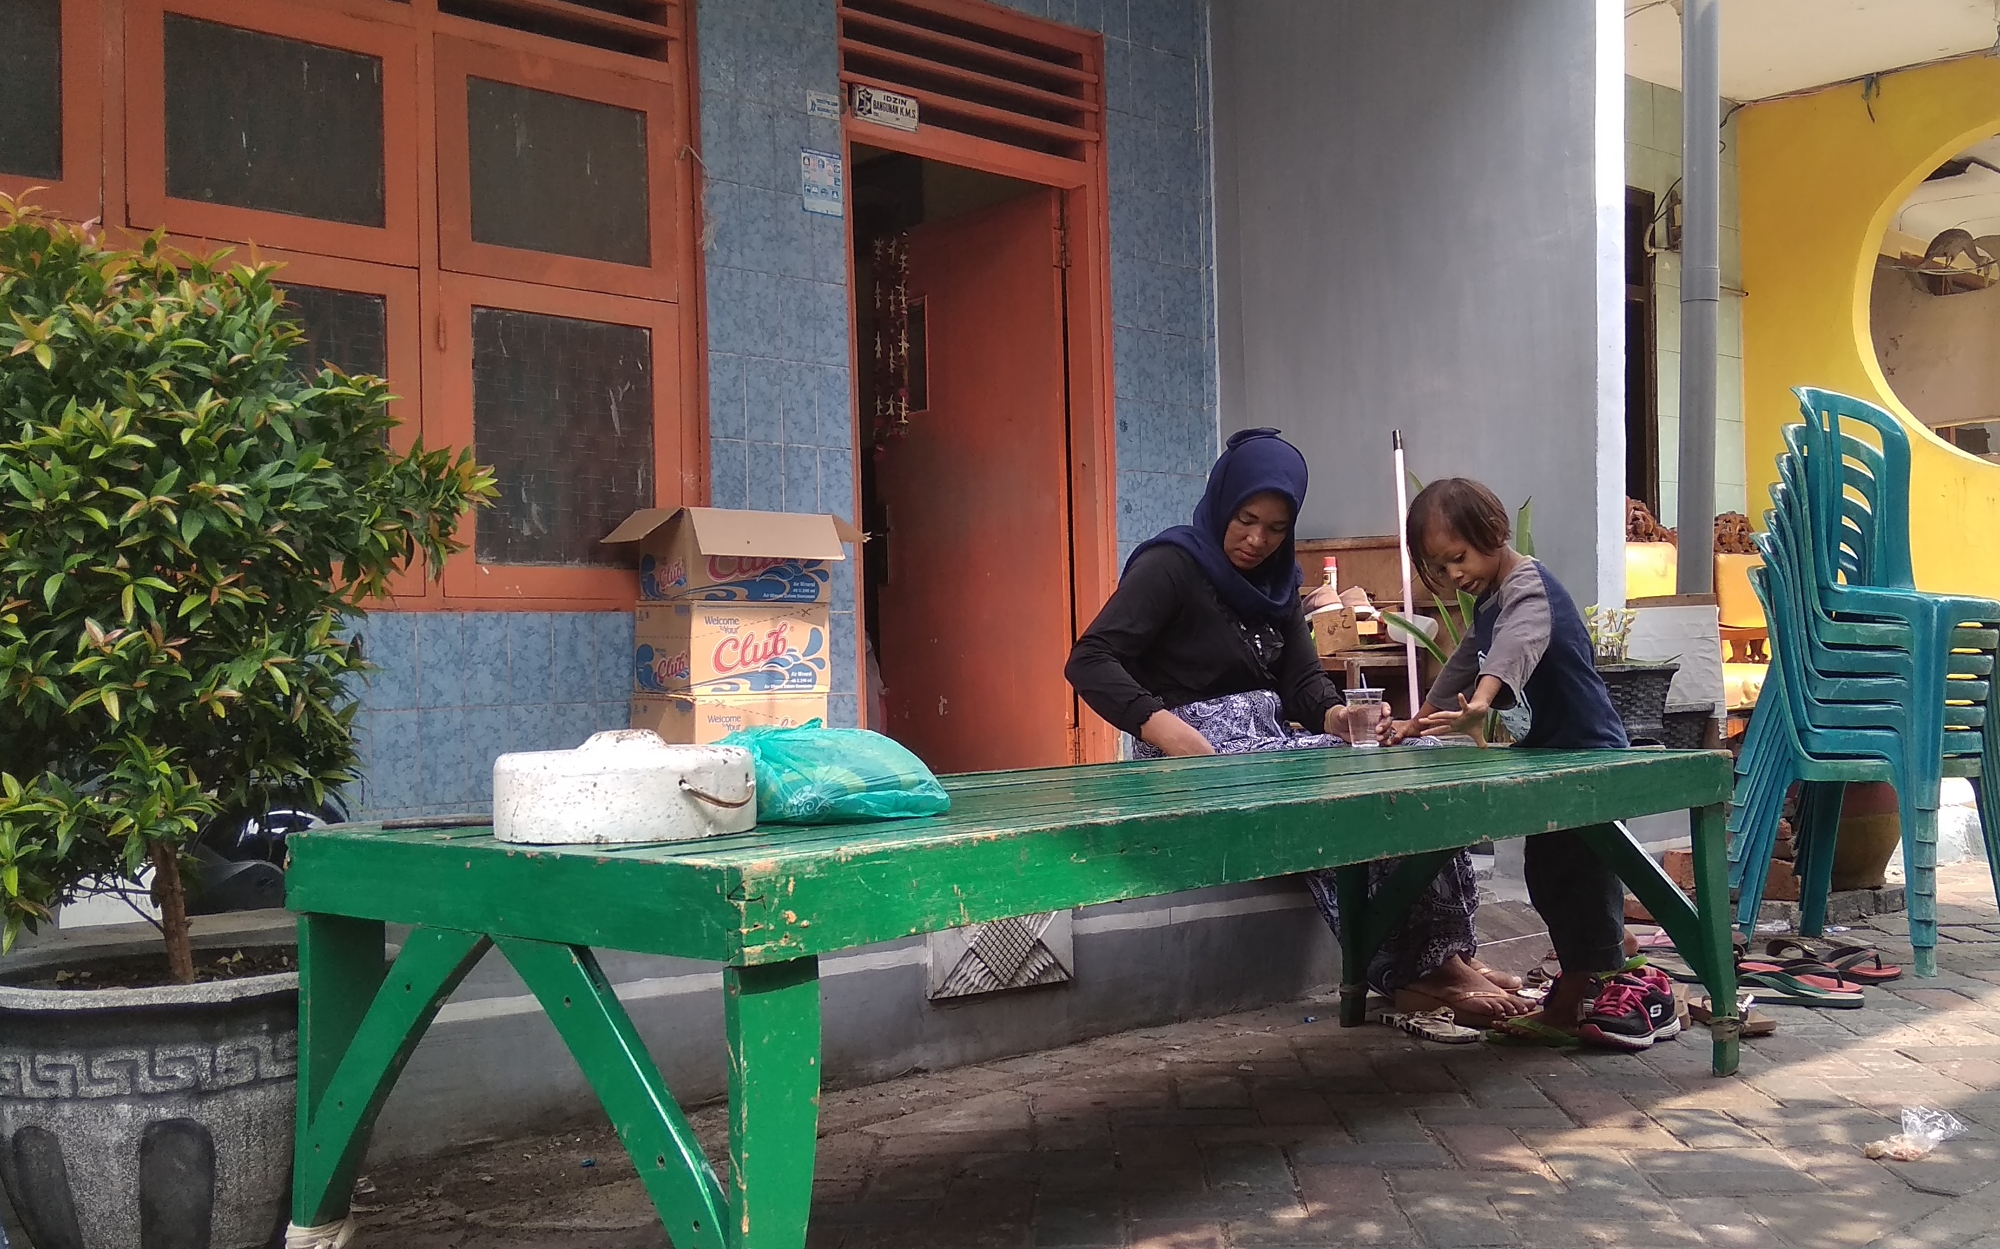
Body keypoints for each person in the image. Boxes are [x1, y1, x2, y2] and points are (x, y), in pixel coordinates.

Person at [1065, 429, 1531, 1026]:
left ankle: (1447, 957)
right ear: (1221, 501)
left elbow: (1303, 685)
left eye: (1276, 528)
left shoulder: (1280, 582)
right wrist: (1165, 730)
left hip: (1264, 745)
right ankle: (1409, 970)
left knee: (1407, 771)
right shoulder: (1171, 566)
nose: (1257, 540)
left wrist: (1340, 716)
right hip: (1195, 752)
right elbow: (1090, 659)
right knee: (1340, 800)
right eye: (1245, 519)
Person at [1382, 477, 1674, 1050]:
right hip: (1549, 758)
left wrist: (1484, 703)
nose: (1452, 576)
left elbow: (1519, 642)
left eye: (1458, 558)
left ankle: (1585, 993)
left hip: (1587, 754)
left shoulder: (1527, 587)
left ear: (1493, 532)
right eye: (1438, 568)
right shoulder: (1489, 600)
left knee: (1580, 873)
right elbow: (1468, 656)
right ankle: (1611, 964)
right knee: (1551, 875)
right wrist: (1421, 718)